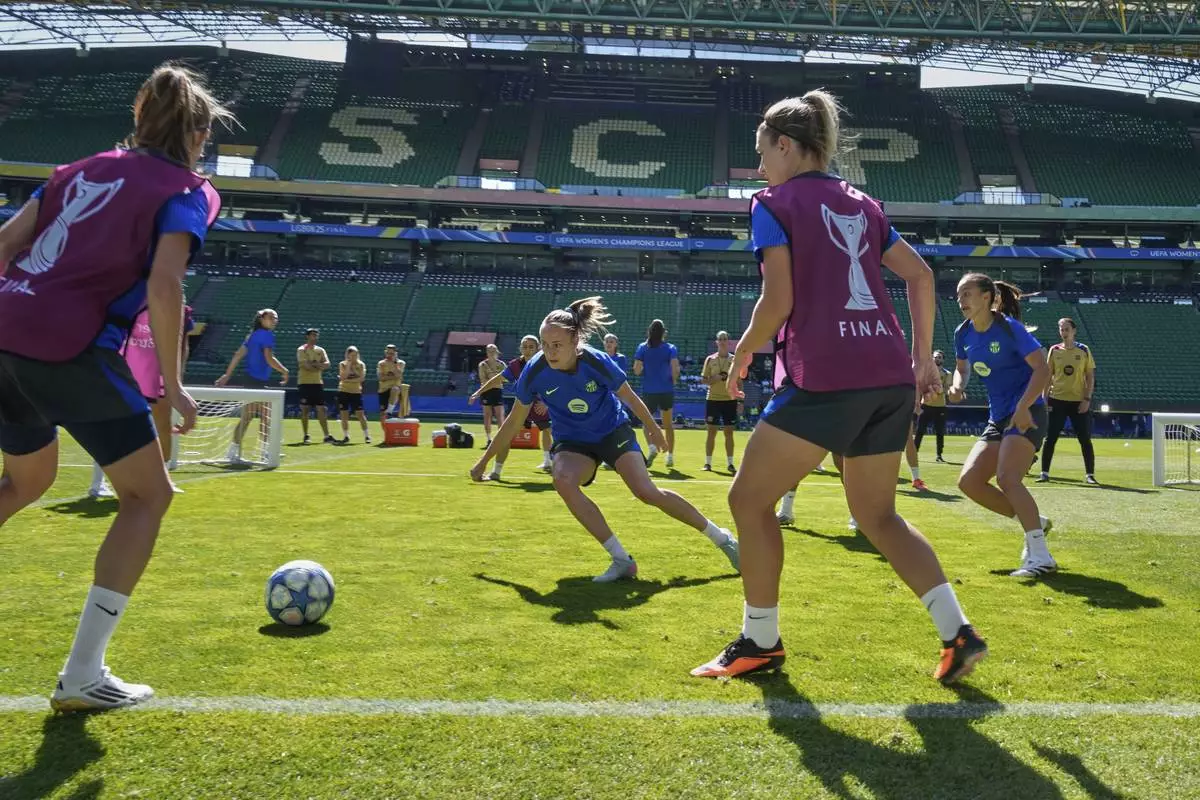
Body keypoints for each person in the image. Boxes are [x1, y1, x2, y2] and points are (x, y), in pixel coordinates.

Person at [691, 90, 985, 685]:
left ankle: (760, 641)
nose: (759, 166)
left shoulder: (771, 203)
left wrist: (745, 349)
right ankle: (958, 633)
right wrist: (921, 362)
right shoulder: (865, 204)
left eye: (761, 152)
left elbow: (779, 301)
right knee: (879, 517)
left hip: (827, 376)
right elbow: (922, 277)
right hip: (889, 378)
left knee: (747, 501)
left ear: (785, 145)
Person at [0, 63, 227, 711]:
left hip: (6, 328)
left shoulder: (77, 169)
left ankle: (85, 672)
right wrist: (175, 385)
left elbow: (5, 246)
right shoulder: (190, 189)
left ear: (138, 116)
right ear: (201, 132)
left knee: (26, 482)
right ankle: (83, 674)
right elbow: (164, 283)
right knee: (147, 497)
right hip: (67, 344)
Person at [471, 298, 740, 581]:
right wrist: (483, 462)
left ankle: (721, 537)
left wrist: (652, 427)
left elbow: (629, 396)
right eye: (545, 344)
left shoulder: (596, 361)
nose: (549, 352)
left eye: (557, 345)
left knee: (646, 492)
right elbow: (514, 421)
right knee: (562, 480)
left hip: (612, 431)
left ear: (575, 340)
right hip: (573, 441)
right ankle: (621, 559)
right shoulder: (534, 371)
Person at [951, 273, 1057, 577]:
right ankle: (1036, 522)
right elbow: (962, 369)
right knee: (969, 483)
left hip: (1029, 412)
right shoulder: (963, 333)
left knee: (1008, 479)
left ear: (987, 297)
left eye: (968, 294)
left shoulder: (1010, 329)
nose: (961, 301)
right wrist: (957, 387)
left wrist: (1024, 407)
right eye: (959, 295)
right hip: (998, 417)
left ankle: (1041, 557)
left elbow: (1043, 369)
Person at [89, 304, 194, 499]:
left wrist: (177, 378)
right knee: (114, 425)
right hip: (126, 370)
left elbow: (182, 345)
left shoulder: (180, 311)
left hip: (159, 373)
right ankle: (98, 482)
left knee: (163, 423)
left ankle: (163, 479)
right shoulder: (130, 301)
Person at [471, 335, 553, 473]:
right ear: (520, 348)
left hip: (540, 407)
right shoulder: (515, 365)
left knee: (556, 434)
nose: (527, 350)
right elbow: (497, 379)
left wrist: (546, 403)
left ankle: (551, 462)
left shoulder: (547, 364)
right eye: (525, 347)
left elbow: (557, 385)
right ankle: (496, 471)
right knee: (505, 435)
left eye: (531, 347)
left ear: (538, 348)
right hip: (521, 407)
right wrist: (478, 392)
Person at [216, 308, 288, 462]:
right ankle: (262, 452)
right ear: (262, 319)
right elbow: (269, 359)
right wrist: (284, 371)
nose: (275, 320)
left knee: (251, 417)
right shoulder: (267, 335)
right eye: (272, 317)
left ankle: (236, 451)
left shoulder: (251, 335)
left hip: (250, 379)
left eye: (276, 318)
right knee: (264, 416)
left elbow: (237, 355)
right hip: (257, 381)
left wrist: (226, 375)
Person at [1038, 318, 1097, 485]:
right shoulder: (1054, 350)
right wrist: (1045, 397)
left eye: (1067, 329)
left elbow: (1090, 376)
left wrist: (1086, 399)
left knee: (1084, 439)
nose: (1064, 333)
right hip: (1057, 400)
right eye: (1061, 330)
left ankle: (1090, 475)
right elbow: (1048, 376)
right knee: (1050, 438)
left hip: (1078, 401)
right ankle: (1044, 473)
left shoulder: (1084, 350)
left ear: (1074, 331)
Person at [633, 319, 679, 467]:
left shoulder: (642, 347)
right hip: (666, 390)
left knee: (647, 423)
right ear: (664, 332)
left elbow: (637, 370)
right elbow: (675, 368)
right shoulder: (671, 348)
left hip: (649, 391)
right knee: (668, 425)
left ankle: (652, 447)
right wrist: (674, 381)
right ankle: (670, 457)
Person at [702, 331, 738, 473]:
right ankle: (708, 463)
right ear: (716, 342)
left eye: (725, 339)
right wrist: (714, 379)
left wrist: (739, 400)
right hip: (713, 399)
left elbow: (738, 381)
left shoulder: (734, 360)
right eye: (720, 339)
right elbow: (704, 380)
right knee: (711, 432)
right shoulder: (710, 359)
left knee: (729, 432)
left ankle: (730, 463)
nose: (722, 341)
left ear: (729, 342)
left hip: (730, 400)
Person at [914, 350, 955, 463]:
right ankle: (914, 453)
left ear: (943, 360)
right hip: (926, 405)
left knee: (940, 432)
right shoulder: (925, 372)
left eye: (940, 357)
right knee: (920, 430)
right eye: (935, 357)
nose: (937, 359)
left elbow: (947, 389)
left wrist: (937, 390)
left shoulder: (947, 374)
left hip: (940, 406)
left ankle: (939, 455)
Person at [297, 328, 334, 444]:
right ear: (307, 336)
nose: (315, 338)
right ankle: (306, 435)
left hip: (317, 383)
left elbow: (327, 364)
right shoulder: (301, 350)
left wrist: (315, 365)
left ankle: (326, 435)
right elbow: (305, 366)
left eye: (316, 335)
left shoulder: (320, 350)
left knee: (321, 409)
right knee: (305, 410)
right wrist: (319, 366)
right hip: (304, 383)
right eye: (313, 335)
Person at [337, 345, 370, 444]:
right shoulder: (343, 364)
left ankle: (367, 436)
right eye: (351, 355)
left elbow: (361, 379)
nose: (354, 357)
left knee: (360, 414)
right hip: (344, 391)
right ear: (347, 355)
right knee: (344, 415)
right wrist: (349, 366)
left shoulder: (361, 365)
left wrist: (350, 378)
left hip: (356, 392)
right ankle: (346, 436)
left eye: (355, 355)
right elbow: (343, 377)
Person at [477, 344, 507, 446]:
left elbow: (506, 378)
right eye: (489, 350)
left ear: (497, 351)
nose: (491, 352)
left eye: (493, 350)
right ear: (486, 352)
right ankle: (489, 440)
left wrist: (492, 381)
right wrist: (496, 381)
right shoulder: (482, 365)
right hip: (486, 392)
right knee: (487, 416)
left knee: (500, 416)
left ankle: (500, 440)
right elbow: (483, 380)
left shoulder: (501, 364)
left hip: (497, 391)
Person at [377, 344, 406, 424]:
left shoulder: (400, 363)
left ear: (395, 353)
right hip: (383, 389)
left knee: (395, 389)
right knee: (382, 415)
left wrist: (394, 363)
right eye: (388, 353)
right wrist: (393, 377)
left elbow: (399, 375)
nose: (389, 355)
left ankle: (389, 411)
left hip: (394, 387)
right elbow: (380, 378)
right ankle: (386, 434)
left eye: (392, 353)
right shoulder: (381, 363)